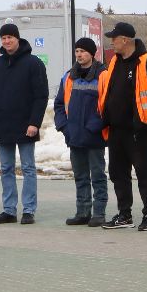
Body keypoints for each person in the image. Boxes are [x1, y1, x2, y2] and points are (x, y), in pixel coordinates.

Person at [0, 22, 48, 224]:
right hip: (2, 124)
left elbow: (41, 96)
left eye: (10, 37)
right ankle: (9, 210)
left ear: (18, 38)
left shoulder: (33, 63)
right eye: (4, 38)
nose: (7, 41)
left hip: (26, 125)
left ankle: (29, 210)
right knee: (6, 168)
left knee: (28, 167)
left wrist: (34, 122)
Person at [99, 22, 147, 230]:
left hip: (139, 131)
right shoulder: (114, 62)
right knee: (118, 173)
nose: (111, 43)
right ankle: (124, 214)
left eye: (114, 39)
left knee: (144, 174)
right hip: (116, 130)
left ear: (125, 40)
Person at [54, 37, 108, 226]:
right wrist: (64, 127)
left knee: (98, 176)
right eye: (77, 51)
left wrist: (95, 126)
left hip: (94, 136)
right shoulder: (68, 76)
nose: (79, 54)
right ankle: (83, 211)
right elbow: (59, 104)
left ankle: (99, 213)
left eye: (83, 51)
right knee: (81, 176)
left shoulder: (103, 75)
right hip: (74, 135)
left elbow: (108, 105)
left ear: (92, 54)